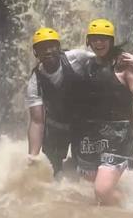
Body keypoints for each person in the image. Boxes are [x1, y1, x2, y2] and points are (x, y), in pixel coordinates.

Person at [72, 18, 133, 205]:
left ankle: (131, 209)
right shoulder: (86, 65)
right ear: (88, 41)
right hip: (92, 134)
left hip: (119, 135)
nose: (99, 43)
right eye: (95, 38)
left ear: (111, 41)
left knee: (102, 190)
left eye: (104, 39)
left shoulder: (123, 67)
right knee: (92, 181)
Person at [26, 27, 93, 177]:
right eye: (42, 48)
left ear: (59, 48)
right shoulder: (35, 81)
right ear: (36, 53)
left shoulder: (76, 57)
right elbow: (37, 121)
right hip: (57, 126)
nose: (48, 51)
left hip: (83, 124)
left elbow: (104, 60)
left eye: (51, 46)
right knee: (52, 172)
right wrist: (33, 156)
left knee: (85, 172)